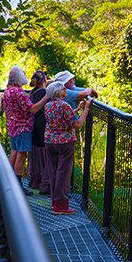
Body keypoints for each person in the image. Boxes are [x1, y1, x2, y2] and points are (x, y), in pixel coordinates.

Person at [43, 81, 91, 215]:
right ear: (59, 91)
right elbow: (77, 124)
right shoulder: (64, 105)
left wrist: (76, 110)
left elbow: (60, 118)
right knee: (63, 173)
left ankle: (55, 202)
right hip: (65, 142)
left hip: (50, 141)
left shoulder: (48, 105)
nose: (66, 91)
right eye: (64, 89)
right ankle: (61, 206)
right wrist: (86, 108)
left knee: (53, 172)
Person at [2, 66, 49, 195]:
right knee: (21, 155)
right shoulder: (19, 93)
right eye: (23, 73)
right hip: (23, 127)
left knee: (14, 151)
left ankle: (9, 181)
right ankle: (17, 185)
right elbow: (32, 109)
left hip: (12, 126)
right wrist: (46, 97)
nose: (25, 75)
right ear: (18, 77)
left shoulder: (8, 91)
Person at [28, 70, 51, 194]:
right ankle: (41, 181)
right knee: (42, 153)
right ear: (45, 80)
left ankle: (34, 178)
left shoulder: (33, 92)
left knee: (35, 153)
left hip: (34, 125)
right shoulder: (43, 93)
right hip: (42, 125)